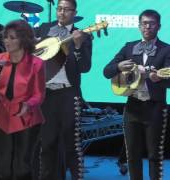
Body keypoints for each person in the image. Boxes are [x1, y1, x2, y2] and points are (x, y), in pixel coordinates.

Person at [103, 9, 170, 180]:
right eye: (144, 23)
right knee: (132, 155)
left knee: (155, 155)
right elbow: (106, 71)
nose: (148, 26)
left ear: (159, 26)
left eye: (152, 23)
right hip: (132, 107)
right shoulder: (129, 47)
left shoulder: (166, 50)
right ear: (139, 26)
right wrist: (119, 67)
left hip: (155, 108)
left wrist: (157, 79)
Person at [34, 0, 92, 179]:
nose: (62, 13)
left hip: (68, 93)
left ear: (75, 12)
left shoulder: (83, 35)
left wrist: (78, 45)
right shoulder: (44, 28)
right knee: (47, 144)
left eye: (67, 10)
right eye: (59, 9)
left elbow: (85, 67)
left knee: (72, 144)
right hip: (46, 93)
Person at [0, 19, 45, 180]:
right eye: (6, 37)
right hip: (2, 116)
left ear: (23, 39)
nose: (7, 41)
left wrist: (28, 105)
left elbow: (39, 94)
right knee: (2, 166)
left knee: (22, 167)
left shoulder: (36, 63)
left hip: (26, 117)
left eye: (12, 38)